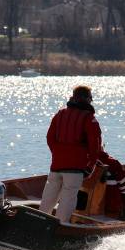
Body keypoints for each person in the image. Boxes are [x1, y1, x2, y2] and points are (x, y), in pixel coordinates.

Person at [39, 85, 102, 223]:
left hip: (56, 165)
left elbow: (50, 138)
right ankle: (60, 227)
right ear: (87, 99)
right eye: (90, 98)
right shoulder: (89, 119)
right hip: (75, 168)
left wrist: (58, 153)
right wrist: (90, 166)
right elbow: (95, 146)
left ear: (73, 97)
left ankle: (40, 222)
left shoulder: (60, 114)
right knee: (68, 198)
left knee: (48, 197)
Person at [98, 150, 125, 218]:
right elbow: (123, 185)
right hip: (111, 205)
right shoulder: (113, 163)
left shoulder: (84, 161)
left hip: (83, 207)